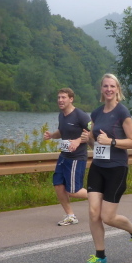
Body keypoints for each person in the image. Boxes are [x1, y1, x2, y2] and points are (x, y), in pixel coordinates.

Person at [79, 73, 132, 263]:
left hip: (116, 168)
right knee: (93, 213)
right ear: (101, 89)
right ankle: (100, 257)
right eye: (105, 86)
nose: (108, 89)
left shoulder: (122, 112)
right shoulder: (96, 113)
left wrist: (112, 141)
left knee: (107, 217)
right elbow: (96, 143)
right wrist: (88, 140)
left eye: (112, 86)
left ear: (117, 90)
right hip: (98, 167)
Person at [43, 88, 90, 226]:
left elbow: (92, 131)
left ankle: (99, 196)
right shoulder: (62, 115)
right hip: (64, 156)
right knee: (58, 185)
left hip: (77, 157)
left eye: (63, 97)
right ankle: (70, 216)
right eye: (58, 97)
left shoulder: (80, 115)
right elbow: (62, 131)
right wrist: (52, 135)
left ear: (71, 99)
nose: (60, 100)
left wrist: (78, 141)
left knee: (74, 191)